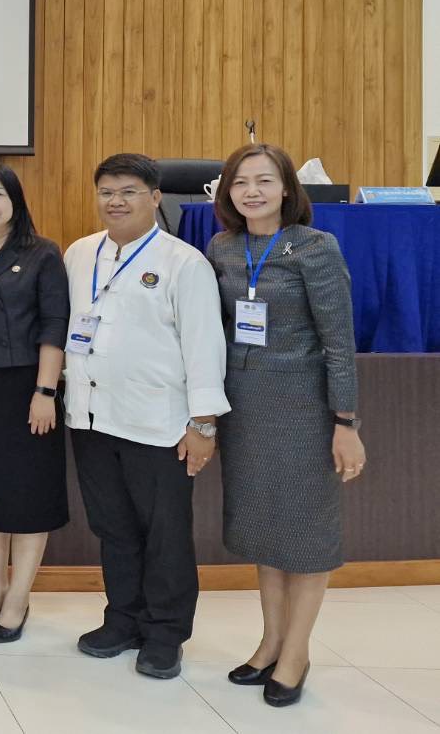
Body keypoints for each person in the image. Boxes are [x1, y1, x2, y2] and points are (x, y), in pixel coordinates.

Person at [62, 153, 228, 679]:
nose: (115, 201)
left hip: (158, 424)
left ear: (156, 197)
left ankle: (165, 632)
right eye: (107, 191)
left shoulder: (185, 263)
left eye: (128, 191)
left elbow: (205, 348)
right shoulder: (79, 254)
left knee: (165, 532)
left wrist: (203, 425)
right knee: (112, 527)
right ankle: (123, 619)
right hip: (91, 417)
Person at [209, 143, 363, 708]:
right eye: (240, 182)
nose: (251, 191)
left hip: (303, 409)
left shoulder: (315, 248)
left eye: (264, 181)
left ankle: (296, 652)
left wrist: (344, 421)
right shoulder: (222, 247)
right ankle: (270, 642)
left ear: (286, 189)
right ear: (226, 192)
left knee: (305, 533)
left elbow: (339, 343)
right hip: (243, 409)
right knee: (263, 528)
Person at [0, 164, 70, 644]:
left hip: (28, 386)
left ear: (16, 201)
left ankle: (19, 596)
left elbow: (53, 324)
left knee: (28, 496)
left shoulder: (42, 253)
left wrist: (45, 392)